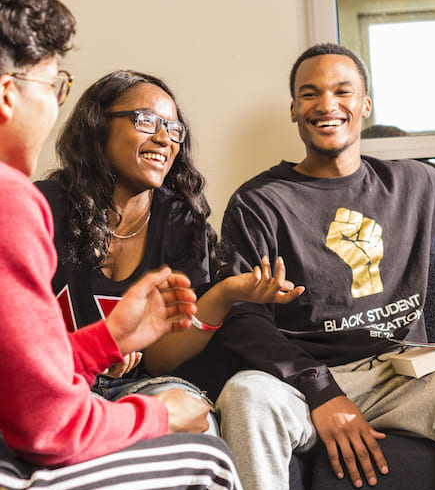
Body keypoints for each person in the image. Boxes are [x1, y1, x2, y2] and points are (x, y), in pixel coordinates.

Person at [177, 43, 435, 490]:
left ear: (365, 104)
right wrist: (322, 391)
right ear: (294, 109)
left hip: (402, 375)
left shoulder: (413, 185)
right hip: (299, 383)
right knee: (245, 395)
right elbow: (242, 317)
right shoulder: (261, 201)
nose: (326, 105)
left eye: (342, 91)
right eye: (310, 94)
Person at [0, 0, 243, 490]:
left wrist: (106, 340)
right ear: (7, 96)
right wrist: (155, 414)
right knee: (207, 460)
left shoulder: (181, 220)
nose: (55, 106)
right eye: (53, 87)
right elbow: (46, 424)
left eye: (173, 128)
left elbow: (19, 373)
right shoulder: (16, 201)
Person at [36, 70, 303, 433]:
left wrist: (225, 294)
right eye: (147, 121)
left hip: (141, 388)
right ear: (98, 126)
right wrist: (95, 352)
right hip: (52, 385)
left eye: (174, 129)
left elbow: (161, 362)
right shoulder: (42, 207)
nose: (164, 138)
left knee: (198, 419)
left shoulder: (180, 220)